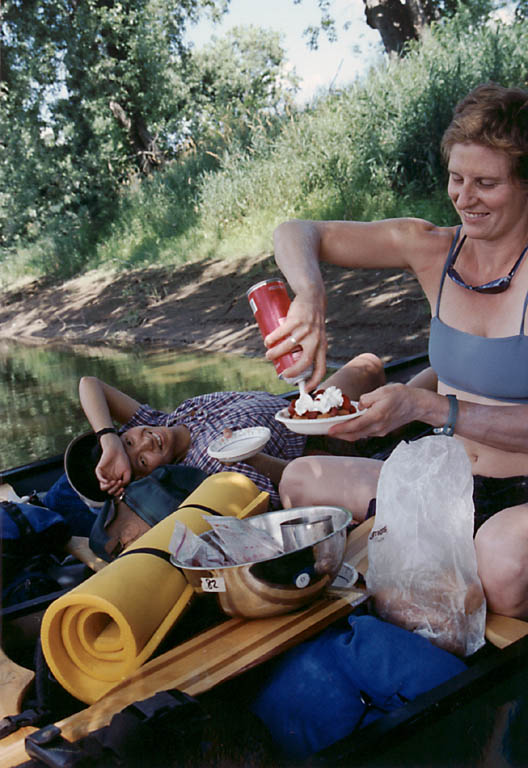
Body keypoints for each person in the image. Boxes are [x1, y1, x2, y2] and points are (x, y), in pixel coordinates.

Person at [266, 82, 528, 619]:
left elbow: (436, 406)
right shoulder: (433, 248)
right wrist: (311, 295)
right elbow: (296, 231)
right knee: (300, 482)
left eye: (486, 183)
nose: (464, 197)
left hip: (520, 496)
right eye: (456, 178)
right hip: (447, 477)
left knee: (499, 562)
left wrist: (431, 407)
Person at [77, 355, 384, 511]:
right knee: (388, 409)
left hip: (306, 406)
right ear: (154, 476)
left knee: (369, 364)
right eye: (142, 461)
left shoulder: (165, 419)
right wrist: (248, 456)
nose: (147, 442)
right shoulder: (205, 466)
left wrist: (109, 440)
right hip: (317, 439)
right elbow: (286, 487)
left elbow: (90, 383)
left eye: (130, 440)